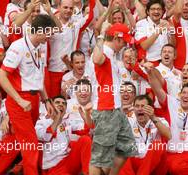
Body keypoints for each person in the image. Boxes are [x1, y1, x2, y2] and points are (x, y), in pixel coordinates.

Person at [0, 14, 55, 175]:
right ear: (40, 31)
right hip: (20, 102)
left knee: (22, 142)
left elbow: (37, 76)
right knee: (31, 145)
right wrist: (20, 100)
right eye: (48, 33)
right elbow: (1, 76)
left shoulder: (39, 47)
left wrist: (47, 100)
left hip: (34, 99)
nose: (50, 37)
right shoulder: (18, 47)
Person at [89, 23, 137, 175]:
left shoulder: (111, 54)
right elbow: (97, 59)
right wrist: (101, 34)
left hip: (115, 108)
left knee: (128, 146)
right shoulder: (104, 51)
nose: (124, 45)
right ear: (116, 38)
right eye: (123, 42)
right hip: (105, 109)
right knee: (99, 157)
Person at [35, 95, 92, 175]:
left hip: (69, 161)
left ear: (65, 110)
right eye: (57, 103)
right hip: (53, 166)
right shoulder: (41, 122)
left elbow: (85, 131)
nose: (61, 105)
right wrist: (57, 118)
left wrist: (86, 117)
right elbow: (45, 136)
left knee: (85, 140)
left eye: (64, 103)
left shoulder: (66, 122)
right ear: (50, 106)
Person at [119, 94, 171, 175]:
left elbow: (168, 136)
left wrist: (153, 117)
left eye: (143, 106)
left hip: (155, 166)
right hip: (135, 163)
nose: (140, 109)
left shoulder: (159, 120)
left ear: (151, 108)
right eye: (137, 106)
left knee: (158, 145)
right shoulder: (128, 120)